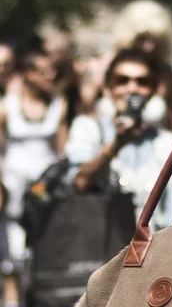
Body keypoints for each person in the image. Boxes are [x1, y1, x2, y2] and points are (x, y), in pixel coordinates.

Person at [65, 48, 172, 229]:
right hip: (99, 250)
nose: (132, 88)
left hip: (151, 251)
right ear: (108, 88)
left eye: (142, 82)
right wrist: (116, 144)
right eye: (122, 80)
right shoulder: (87, 129)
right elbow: (81, 182)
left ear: (153, 90)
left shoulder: (168, 144)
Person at [0, 49, 68, 307]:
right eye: (43, 71)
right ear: (28, 75)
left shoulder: (58, 105)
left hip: (44, 190)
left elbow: (62, 151)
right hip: (14, 190)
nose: (50, 76)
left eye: (52, 70)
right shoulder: (7, 106)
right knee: (12, 252)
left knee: (43, 247)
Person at [110, 0, 172, 134]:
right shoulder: (108, 68)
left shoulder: (165, 73)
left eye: (155, 40)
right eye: (143, 39)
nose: (149, 47)